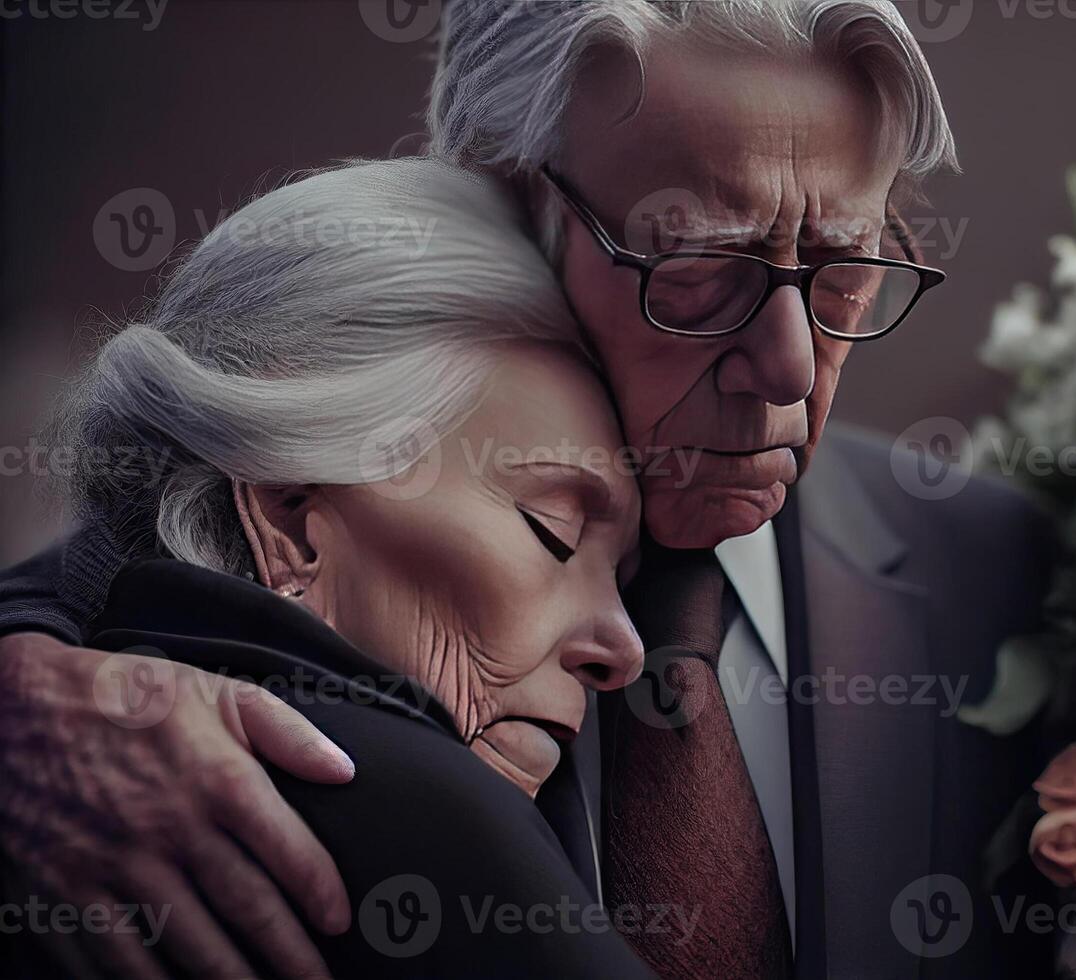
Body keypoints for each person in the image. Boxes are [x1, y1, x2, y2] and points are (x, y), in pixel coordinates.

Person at [0, 2, 1056, 976]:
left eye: (844, 266)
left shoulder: (1017, 576)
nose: (788, 366)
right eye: (696, 265)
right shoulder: (110, 647)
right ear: (499, 200)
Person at [6, 155, 654, 979]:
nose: (627, 648)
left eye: (621, 574)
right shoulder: (419, 810)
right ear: (287, 515)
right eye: (553, 532)